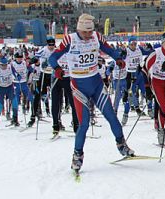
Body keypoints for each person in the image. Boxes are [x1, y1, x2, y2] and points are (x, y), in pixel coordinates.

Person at [48, 13, 135, 172]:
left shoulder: (97, 37)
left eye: (90, 32)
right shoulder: (70, 39)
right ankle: (77, 155)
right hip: (79, 86)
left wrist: (118, 59)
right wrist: (57, 69)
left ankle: (122, 144)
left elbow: (109, 50)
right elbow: (52, 58)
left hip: (96, 84)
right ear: (79, 29)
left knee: (111, 116)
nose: (88, 35)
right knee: (84, 124)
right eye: (85, 32)